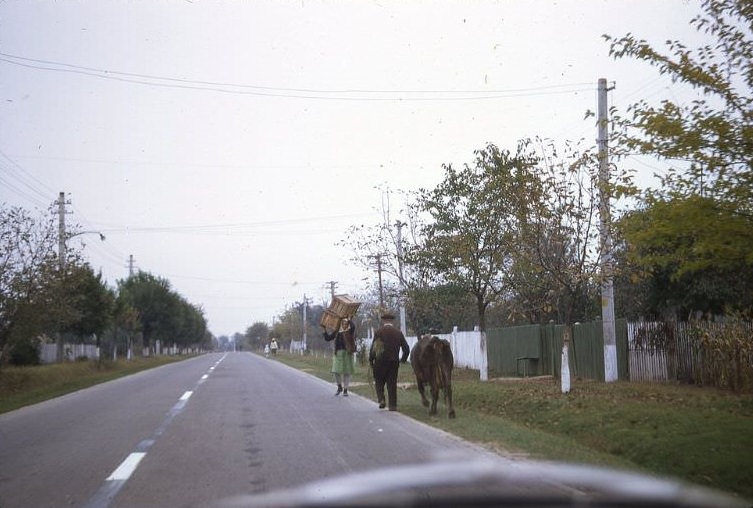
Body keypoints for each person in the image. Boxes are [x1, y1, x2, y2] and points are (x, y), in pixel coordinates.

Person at [369, 312, 409, 411]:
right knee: (392, 383)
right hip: (393, 362)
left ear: (383, 320)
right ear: (392, 321)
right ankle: (392, 405)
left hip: (380, 361)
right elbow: (406, 348)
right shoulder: (398, 333)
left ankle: (381, 399)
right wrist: (403, 360)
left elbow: (374, 348)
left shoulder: (379, 332)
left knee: (379, 381)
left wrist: (371, 359)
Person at [322, 317, 357, 396]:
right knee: (336, 371)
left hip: (347, 353)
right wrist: (324, 329)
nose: (344, 325)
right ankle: (339, 386)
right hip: (338, 353)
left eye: (346, 324)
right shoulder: (337, 331)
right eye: (343, 323)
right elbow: (328, 338)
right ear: (340, 324)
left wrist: (349, 319)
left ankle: (345, 390)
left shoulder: (350, 331)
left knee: (347, 372)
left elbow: (353, 326)